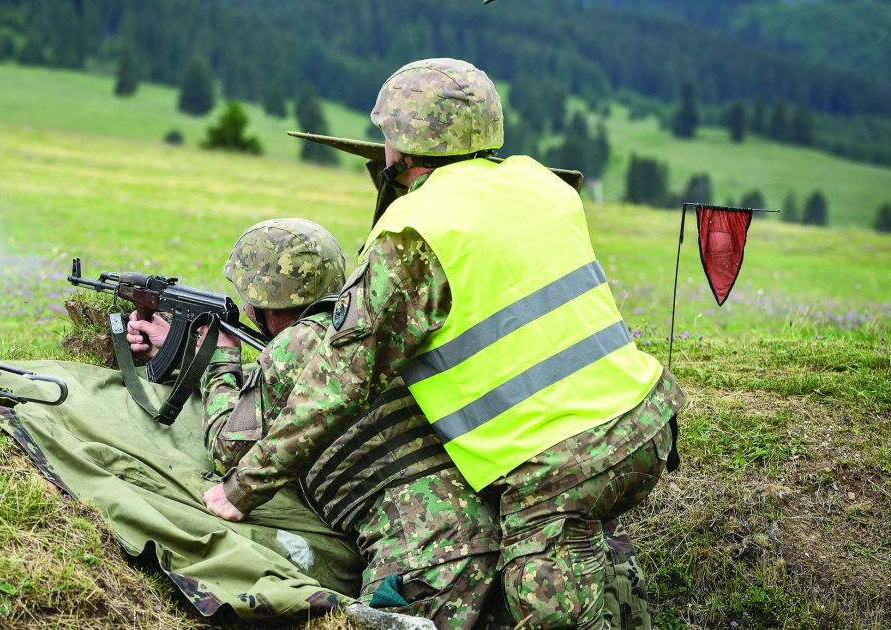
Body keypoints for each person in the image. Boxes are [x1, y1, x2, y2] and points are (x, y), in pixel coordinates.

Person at [195, 58, 685, 630]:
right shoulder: (539, 184)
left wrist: (241, 488)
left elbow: (340, 382)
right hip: (648, 420)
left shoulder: (415, 231)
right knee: (584, 567)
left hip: (558, 466)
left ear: (399, 148)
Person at [128, 218, 504, 630]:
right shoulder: (372, 324)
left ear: (262, 305)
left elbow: (227, 449)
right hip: (477, 525)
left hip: (423, 549)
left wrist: (218, 360)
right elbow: (292, 392)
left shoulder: (298, 343)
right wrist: (184, 351)